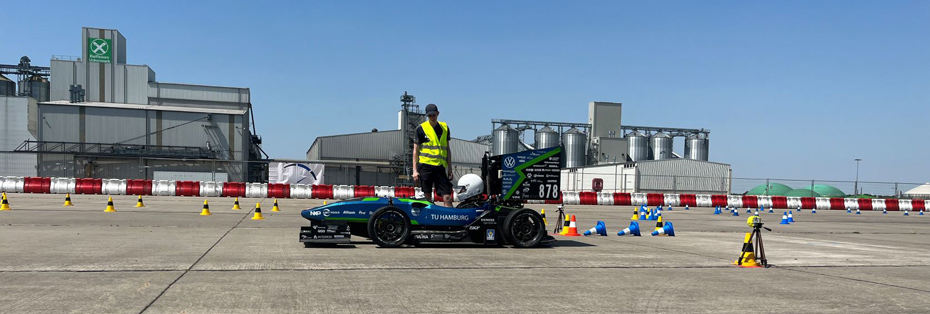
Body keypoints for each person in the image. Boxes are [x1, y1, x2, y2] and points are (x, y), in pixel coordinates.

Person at [413, 103, 453, 207]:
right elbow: (415, 151)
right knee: (428, 197)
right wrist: (415, 170)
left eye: (434, 115)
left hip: (440, 167)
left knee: (447, 197)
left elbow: (447, 150)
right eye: (430, 115)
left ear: (438, 114)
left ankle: (449, 216)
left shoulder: (445, 128)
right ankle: (429, 217)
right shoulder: (421, 129)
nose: (432, 117)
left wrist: (450, 169)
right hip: (425, 166)